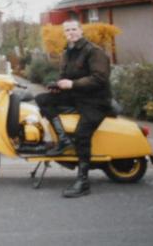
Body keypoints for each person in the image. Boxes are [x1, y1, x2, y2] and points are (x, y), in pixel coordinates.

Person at [35, 19, 112, 198]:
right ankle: (63, 141)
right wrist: (57, 85)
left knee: (82, 134)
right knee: (42, 99)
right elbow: (65, 77)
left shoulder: (94, 52)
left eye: (74, 29)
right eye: (67, 30)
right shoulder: (67, 52)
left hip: (95, 100)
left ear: (81, 30)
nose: (71, 32)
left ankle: (83, 182)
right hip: (76, 96)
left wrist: (72, 84)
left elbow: (99, 78)